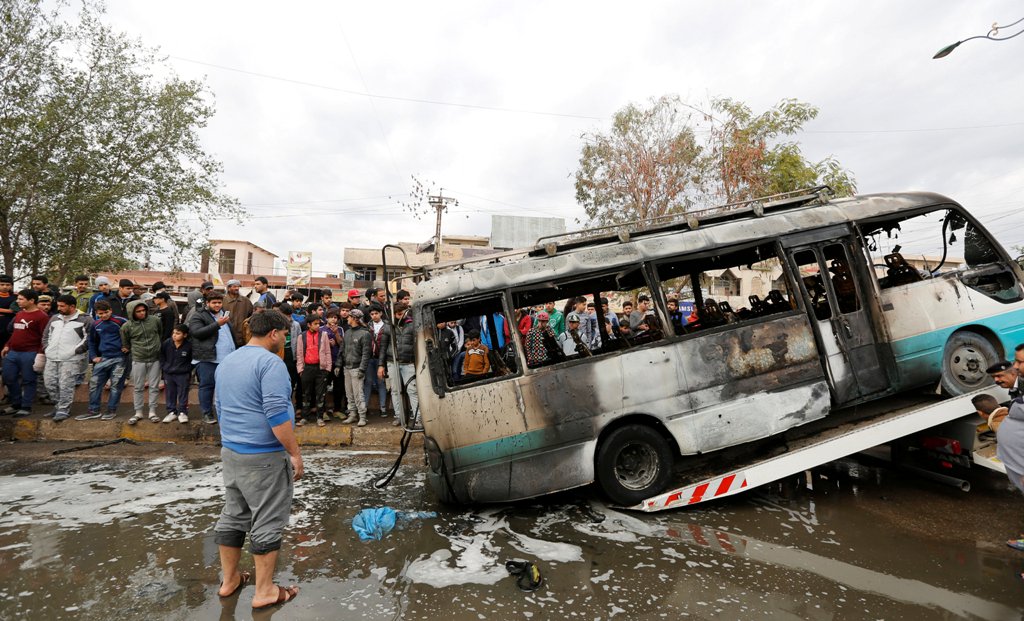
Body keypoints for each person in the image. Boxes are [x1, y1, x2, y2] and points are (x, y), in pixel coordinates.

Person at [212, 309, 301, 610]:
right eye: (285, 335)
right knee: (267, 521)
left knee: (233, 515)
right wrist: (294, 452)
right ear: (274, 333)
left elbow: (220, 407)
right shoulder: (270, 363)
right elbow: (276, 413)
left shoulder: (229, 360)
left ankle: (230, 580)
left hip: (232, 452)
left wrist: (232, 441)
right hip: (263, 456)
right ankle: (264, 591)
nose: (285, 340)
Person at [41, 295, 92, 422]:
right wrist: (47, 348)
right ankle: (57, 406)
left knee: (66, 385)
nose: (59, 308)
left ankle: (63, 409)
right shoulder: (54, 318)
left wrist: (75, 351)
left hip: (71, 359)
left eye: (62, 306)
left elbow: (89, 339)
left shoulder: (85, 319)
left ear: (72, 306)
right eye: (58, 305)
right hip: (52, 357)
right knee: (50, 384)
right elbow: (46, 335)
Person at [0, 290, 49, 417]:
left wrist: (40, 354)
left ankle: (26, 406)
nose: (17, 301)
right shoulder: (20, 314)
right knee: (8, 377)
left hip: (30, 353)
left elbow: (45, 337)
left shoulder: (42, 316)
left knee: (29, 380)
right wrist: (7, 346)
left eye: (21, 299)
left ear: (31, 301)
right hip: (13, 352)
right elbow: (15, 332)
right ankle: (16, 404)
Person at [188, 291, 234, 425]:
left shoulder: (223, 314)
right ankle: (207, 413)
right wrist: (217, 324)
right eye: (214, 303)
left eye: (219, 302)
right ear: (207, 303)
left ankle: (224, 413)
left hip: (226, 359)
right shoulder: (199, 315)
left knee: (225, 387)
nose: (217, 305)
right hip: (208, 358)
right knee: (207, 386)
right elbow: (196, 333)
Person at [78, 300, 128, 420]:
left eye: (106, 312)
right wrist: (94, 356)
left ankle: (111, 410)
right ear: (96, 313)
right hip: (103, 358)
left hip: (119, 358)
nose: (103, 315)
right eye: (100, 313)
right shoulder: (96, 324)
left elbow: (132, 336)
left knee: (116, 385)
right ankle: (93, 410)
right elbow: (91, 341)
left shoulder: (121, 322)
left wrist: (128, 347)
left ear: (110, 310)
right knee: (94, 384)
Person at [121, 300, 164, 424]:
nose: (142, 313)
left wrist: (156, 347)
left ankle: (152, 412)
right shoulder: (127, 326)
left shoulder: (155, 320)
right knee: (138, 387)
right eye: (138, 311)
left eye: (143, 310)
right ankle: (138, 412)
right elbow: (126, 343)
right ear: (132, 312)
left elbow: (160, 334)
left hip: (155, 358)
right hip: (138, 359)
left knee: (154, 387)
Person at [294, 315, 331, 427]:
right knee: (306, 393)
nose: (318, 326)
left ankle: (319, 417)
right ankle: (305, 417)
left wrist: (328, 368)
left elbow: (327, 352)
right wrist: (300, 369)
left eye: (318, 324)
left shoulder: (323, 335)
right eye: (315, 324)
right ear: (309, 324)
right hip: (307, 368)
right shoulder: (302, 336)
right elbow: (299, 353)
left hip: (320, 368)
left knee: (321, 394)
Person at [388, 302, 418, 427]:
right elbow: (384, 344)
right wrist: (381, 365)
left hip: (408, 362)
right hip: (392, 362)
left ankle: (418, 418)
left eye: (402, 313)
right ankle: (399, 416)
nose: (400, 316)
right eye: (397, 314)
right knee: (395, 390)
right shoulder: (390, 326)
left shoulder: (412, 325)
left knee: (413, 390)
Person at [340, 309, 371, 426]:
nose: (347, 318)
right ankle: (352, 414)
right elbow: (342, 350)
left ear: (354, 318)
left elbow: (366, 354)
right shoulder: (347, 333)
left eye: (349, 317)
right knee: (349, 394)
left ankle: (362, 416)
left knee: (359, 394)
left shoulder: (365, 334)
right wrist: (339, 364)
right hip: (347, 368)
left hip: (357, 368)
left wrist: (362, 369)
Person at [160, 324, 193, 423]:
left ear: (185, 335)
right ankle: (171, 412)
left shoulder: (189, 346)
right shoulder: (167, 343)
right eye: (173, 333)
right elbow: (161, 356)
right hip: (168, 373)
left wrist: (187, 369)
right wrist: (164, 367)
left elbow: (192, 360)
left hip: (183, 374)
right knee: (170, 393)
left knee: (183, 393)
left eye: (178, 333)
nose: (174, 335)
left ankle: (182, 412)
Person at [365, 306, 391, 417]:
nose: (374, 315)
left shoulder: (387, 326)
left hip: (382, 358)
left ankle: (383, 408)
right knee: (368, 383)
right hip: (369, 358)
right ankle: (364, 408)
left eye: (376, 313)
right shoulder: (367, 326)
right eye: (372, 314)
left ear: (380, 313)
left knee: (381, 383)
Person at [320, 309, 346, 418]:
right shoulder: (321, 329)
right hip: (325, 363)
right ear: (326, 318)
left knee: (338, 387)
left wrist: (336, 334)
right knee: (323, 387)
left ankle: (337, 410)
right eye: (331, 317)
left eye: (336, 317)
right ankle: (323, 411)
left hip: (337, 362)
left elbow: (342, 344)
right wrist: (327, 343)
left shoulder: (340, 329)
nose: (333, 319)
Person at [224, 279, 254, 348]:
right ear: (228, 288)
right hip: (227, 337)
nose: (237, 288)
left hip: (242, 337)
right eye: (234, 286)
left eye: (238, 286)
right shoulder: (222, 301)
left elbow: (251, 316)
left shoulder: (246, 301)